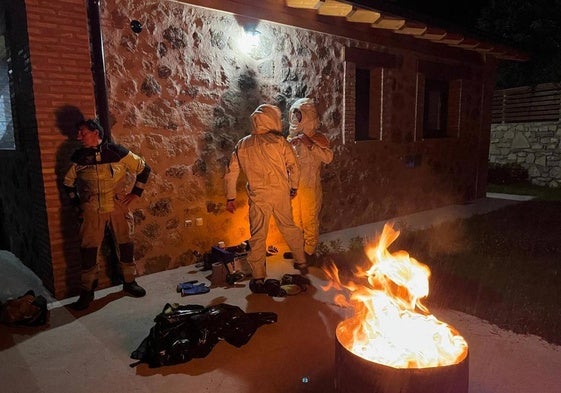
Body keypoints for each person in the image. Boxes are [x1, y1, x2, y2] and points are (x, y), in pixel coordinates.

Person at [63, 118, 151, 310]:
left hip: (118, 206)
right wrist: (78, 205)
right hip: (92, 210)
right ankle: (87, 292)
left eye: (82, 132)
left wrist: (136, 193)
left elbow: (144, 169)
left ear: (96, 133)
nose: (79, 137)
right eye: (78, 133)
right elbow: (68, 183)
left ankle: (129, 282)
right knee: (88, 251)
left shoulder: (117, 152)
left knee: (126, 244)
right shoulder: (78, 157)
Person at [224, 104, 308, 296]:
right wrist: (293, 187)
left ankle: (258, 277)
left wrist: (231, 197)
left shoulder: (242, 144)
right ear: (272, 120)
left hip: (258, 196)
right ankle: (301, 261)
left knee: (258, 236)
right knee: (289, 226)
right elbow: (294, 166)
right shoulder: (279, 142)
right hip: (280, 194)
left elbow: (231, 173)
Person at [287, 98, 333, 264]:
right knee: (295, 220)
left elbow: (328, 158)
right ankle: (299, 251)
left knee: (309, 219)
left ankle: (310, 252)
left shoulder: (317, 139)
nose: (296, 119)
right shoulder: (290, 140)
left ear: (308, 117)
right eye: (295, 116)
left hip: (310, 187)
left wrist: (310, 145)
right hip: (294, 187)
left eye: (300, 116)